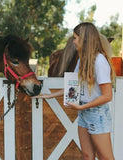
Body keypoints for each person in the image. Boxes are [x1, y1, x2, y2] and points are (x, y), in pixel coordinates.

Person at [32, 22, 115, 160]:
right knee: (87, 155)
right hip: (84, 113)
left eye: (75, 38)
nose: (74, 42)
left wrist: (83, 106)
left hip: (97, 114)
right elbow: (74, 87)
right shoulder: (82, 61)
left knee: (105, 157)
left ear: (84, 39)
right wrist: (49, 95)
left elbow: (107, 96)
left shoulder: (99, 61)